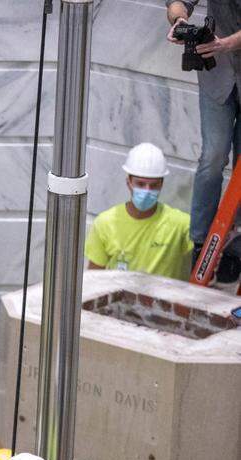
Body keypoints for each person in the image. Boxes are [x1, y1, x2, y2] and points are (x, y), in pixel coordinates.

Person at [166, 1, 241, 281]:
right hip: (217, 75)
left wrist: (227, 44)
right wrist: (178, 22)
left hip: (225, 54)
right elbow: (178, 3)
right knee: (212, 157)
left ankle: (236, 247)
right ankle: (200, 242)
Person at [84, 143, 193, 280]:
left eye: (153, 185)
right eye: (140, 184)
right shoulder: (105, 224)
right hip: (120, 301)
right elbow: (94, 278)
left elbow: (206, 261)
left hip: (163, 300)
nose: (147, 191)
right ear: (128, 182)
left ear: (161, 184)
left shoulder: (181, 225)